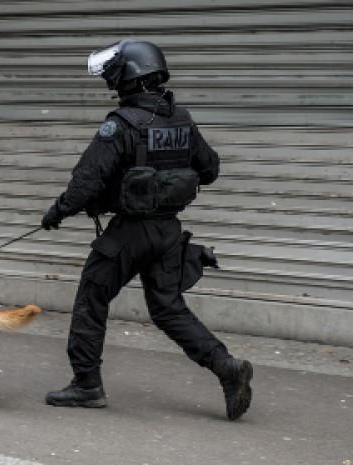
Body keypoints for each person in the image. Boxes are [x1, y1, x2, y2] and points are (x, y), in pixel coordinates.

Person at [40, 39, 253, 420]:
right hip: (168, 233)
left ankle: (86, 385)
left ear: (129, 76)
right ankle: (226, 367)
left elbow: (85, 183)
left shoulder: (121, 125)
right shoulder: (181, 119)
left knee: (92, 297)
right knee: (168, 308)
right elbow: (211, 169)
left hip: (131, 233)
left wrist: (56, 213)